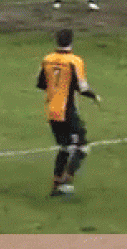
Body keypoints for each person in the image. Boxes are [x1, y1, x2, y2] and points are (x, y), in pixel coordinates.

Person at [36, 28, 101, 197]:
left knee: (64, 147)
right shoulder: (75, 61)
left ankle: (56, 185)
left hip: (51, 110)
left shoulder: (47, 59)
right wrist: (94, 96)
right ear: (71, 41)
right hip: (67, 110)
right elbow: (82, 87)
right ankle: (66, 182)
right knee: (82, 147)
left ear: (57, 40)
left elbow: (41, 83)